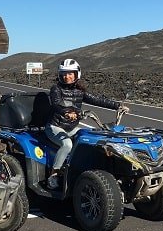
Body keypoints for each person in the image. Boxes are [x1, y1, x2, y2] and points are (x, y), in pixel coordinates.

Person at [45, 58, 129, 189]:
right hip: (55, 126)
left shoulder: (80, 91)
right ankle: (53, 175)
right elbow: (56, 103)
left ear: (76, 74)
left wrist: (118, 106)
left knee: (89, 140)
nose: (67, 76)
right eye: (64, 74)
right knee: (67, 145)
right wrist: (67, 112)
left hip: (71, 127)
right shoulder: (56, 89)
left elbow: (97, 100)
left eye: (70, 73)